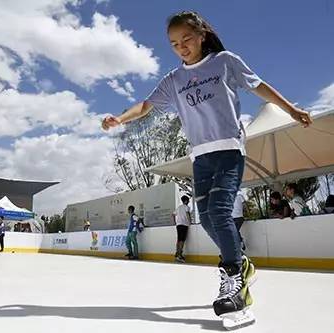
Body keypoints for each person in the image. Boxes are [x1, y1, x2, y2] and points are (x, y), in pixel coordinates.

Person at [101, 11, 312, 327]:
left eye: (186, 39)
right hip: (200, 157)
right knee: (208, 217)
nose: (181, 47)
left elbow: (259, 86)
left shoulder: (224, 61)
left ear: (201, 35)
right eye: (174, 44)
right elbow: (146, 106)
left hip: (228, 149)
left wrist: (291, 109)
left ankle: (235, 282)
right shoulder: (173, 80)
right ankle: (241, 264)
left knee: (220, 213)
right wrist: (120, 118)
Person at [173, 195, 191, 263]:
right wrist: (189, 222)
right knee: (182, 240)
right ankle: (179, 255)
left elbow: (173, 215)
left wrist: (175, 222)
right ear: (186, 201)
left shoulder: (179, 208)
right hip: (184, 224)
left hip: (178, 225)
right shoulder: (187, 207)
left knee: (179, 239)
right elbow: (187, 214)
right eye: (188, 200)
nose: (189, 202)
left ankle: (177, 252)